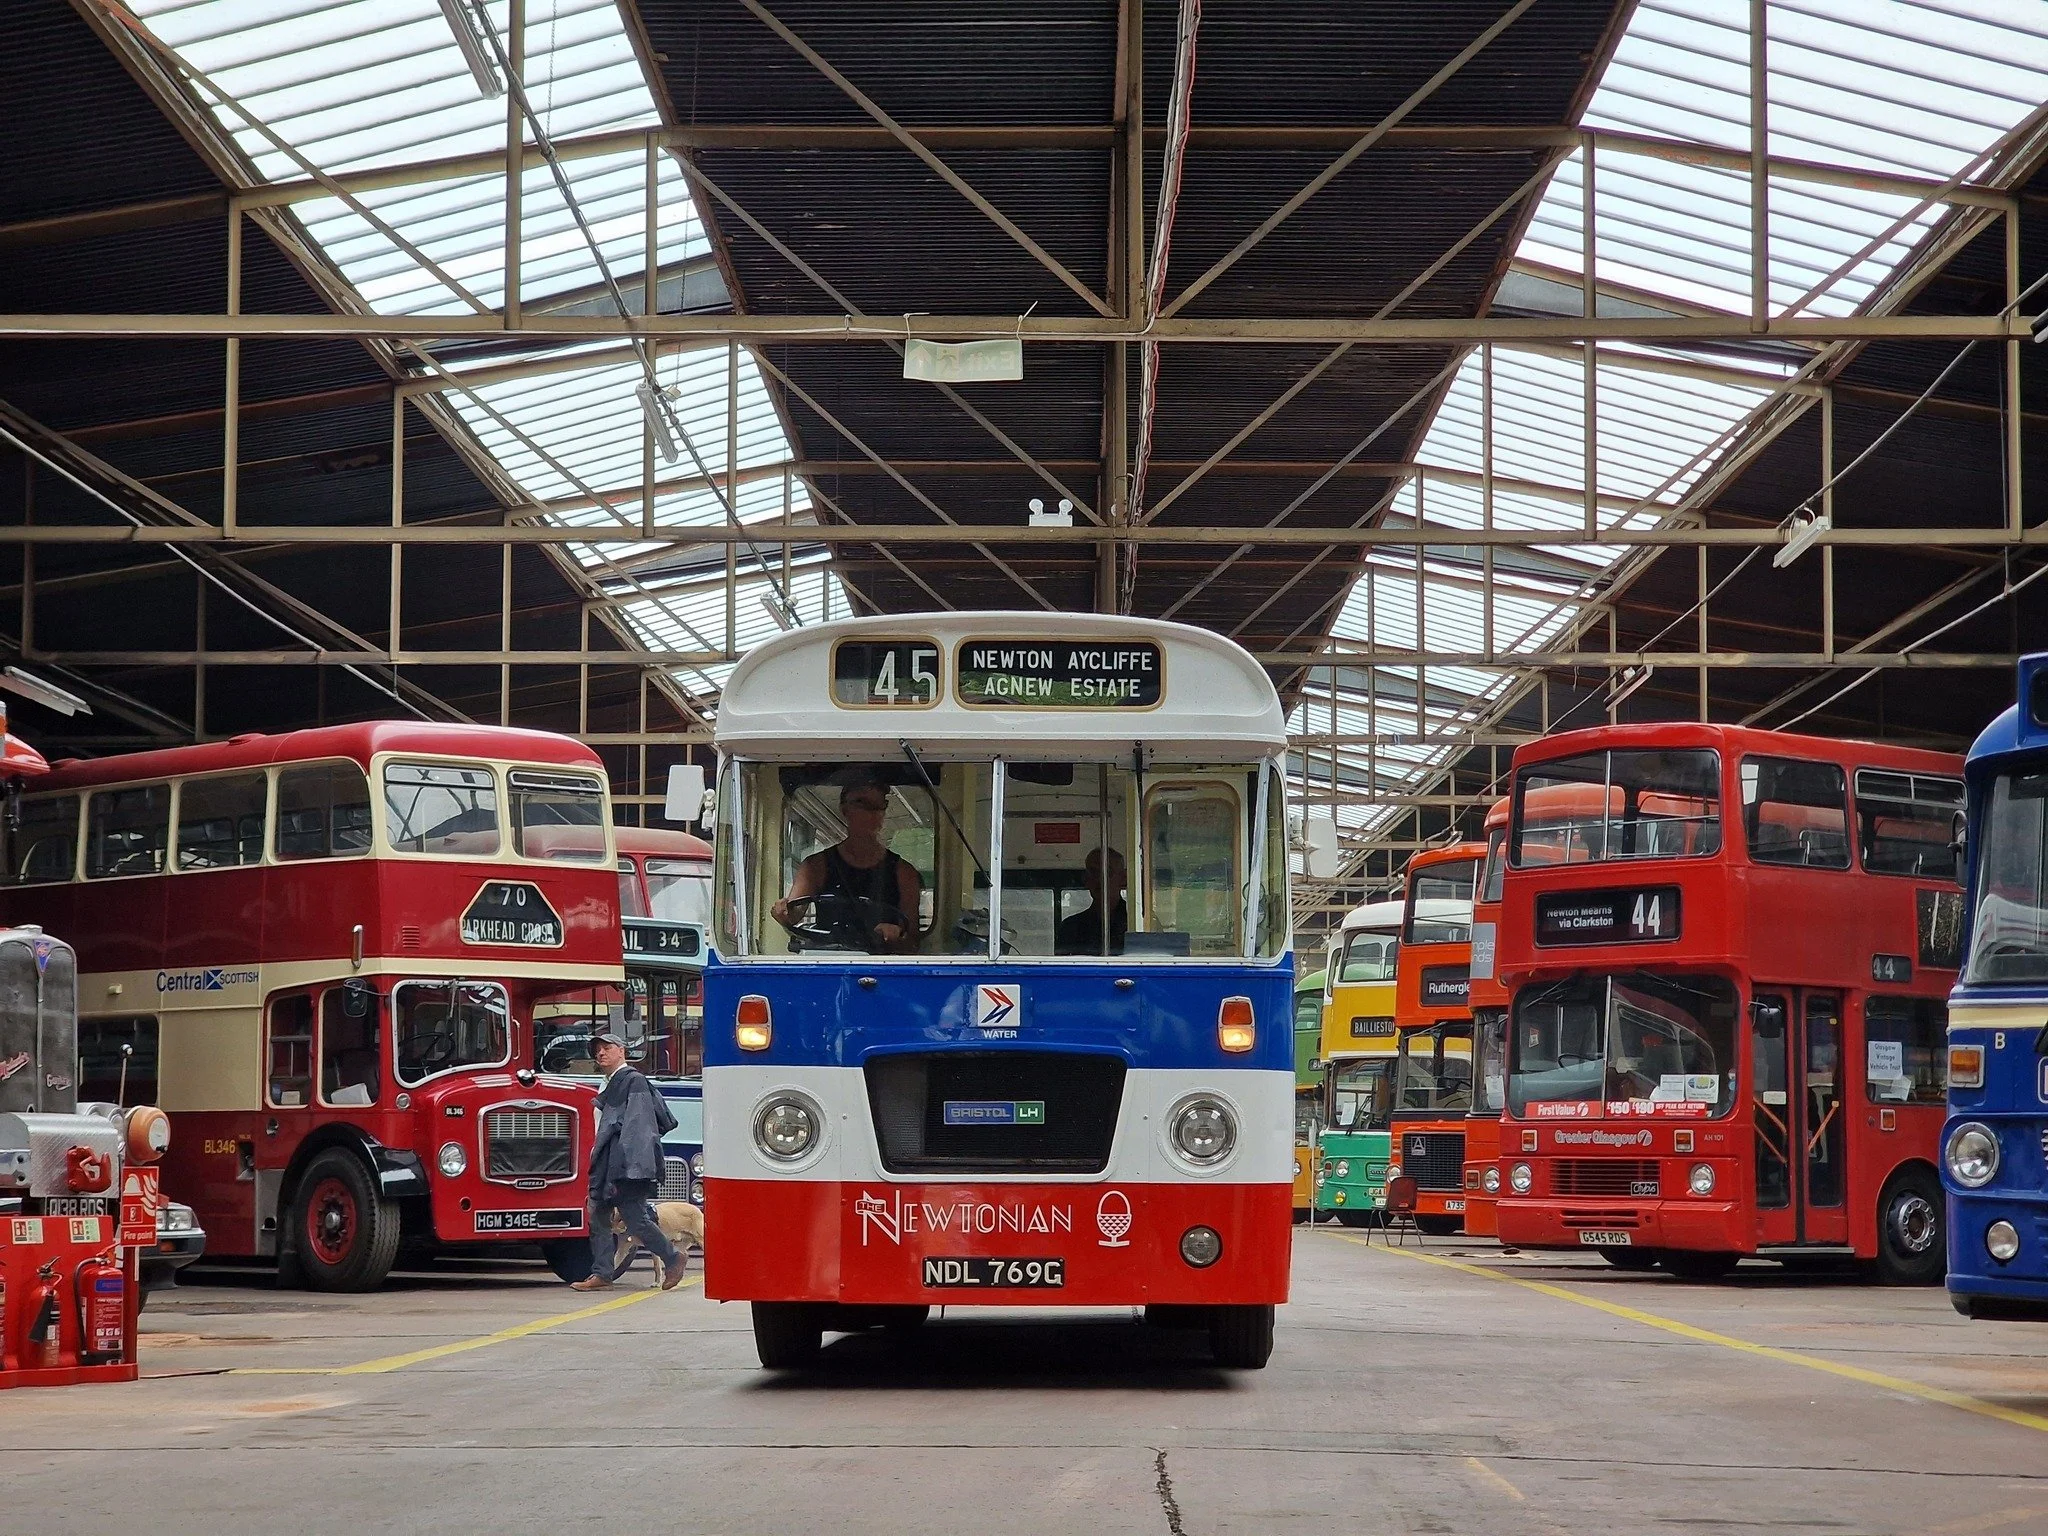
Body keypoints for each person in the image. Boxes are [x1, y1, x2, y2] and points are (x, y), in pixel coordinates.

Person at [570, 1031, 686, 1291]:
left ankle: (672, 1257)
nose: (601, 1053)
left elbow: (638, 1129)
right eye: (597, 1050)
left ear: (621, 1050)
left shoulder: (632, 1081)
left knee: (635, 1217)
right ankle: (602, 1273)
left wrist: (628, 1168)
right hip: (607, 1160)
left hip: (623, 1165)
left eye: (607, 1047)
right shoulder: (610, 1083)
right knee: (598, 1214)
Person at [773, 776, 923, 954]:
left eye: (878, 806)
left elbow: (912, 942)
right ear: (844, 809)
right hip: (826, 962)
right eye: (862, 803)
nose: (872, 812)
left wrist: (896, 935)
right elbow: (793, 914)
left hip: (883, 967)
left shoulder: (904, 873)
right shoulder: (816, 866)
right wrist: (783, 913)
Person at [1055, 846, 1128, 956]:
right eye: (1094, 872)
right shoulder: (1070, 928)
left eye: (1108, 872)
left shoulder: (1136, 925)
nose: (1100, 879)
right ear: (1086, 879)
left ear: (1123, 879)